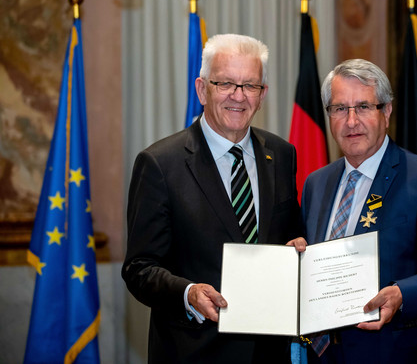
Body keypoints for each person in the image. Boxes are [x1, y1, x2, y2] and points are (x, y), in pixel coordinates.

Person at [122, 34, 304, 363]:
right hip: (193, 351)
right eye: (225, 84)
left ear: (262, 95)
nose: (239, 96)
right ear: (202, 89)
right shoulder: (160, 164)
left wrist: (298, 249)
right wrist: (187, 293)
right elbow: (139, 268)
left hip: (269, 353)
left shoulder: (281, 154)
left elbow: (291, 236)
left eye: (250, 85)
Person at [301, 58, 417, 363]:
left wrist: (402, 294)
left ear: (387, 111)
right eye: (340, 108)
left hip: (395, 353)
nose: (351, 120)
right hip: (323, 356)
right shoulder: (316, 183)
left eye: (364, 107)